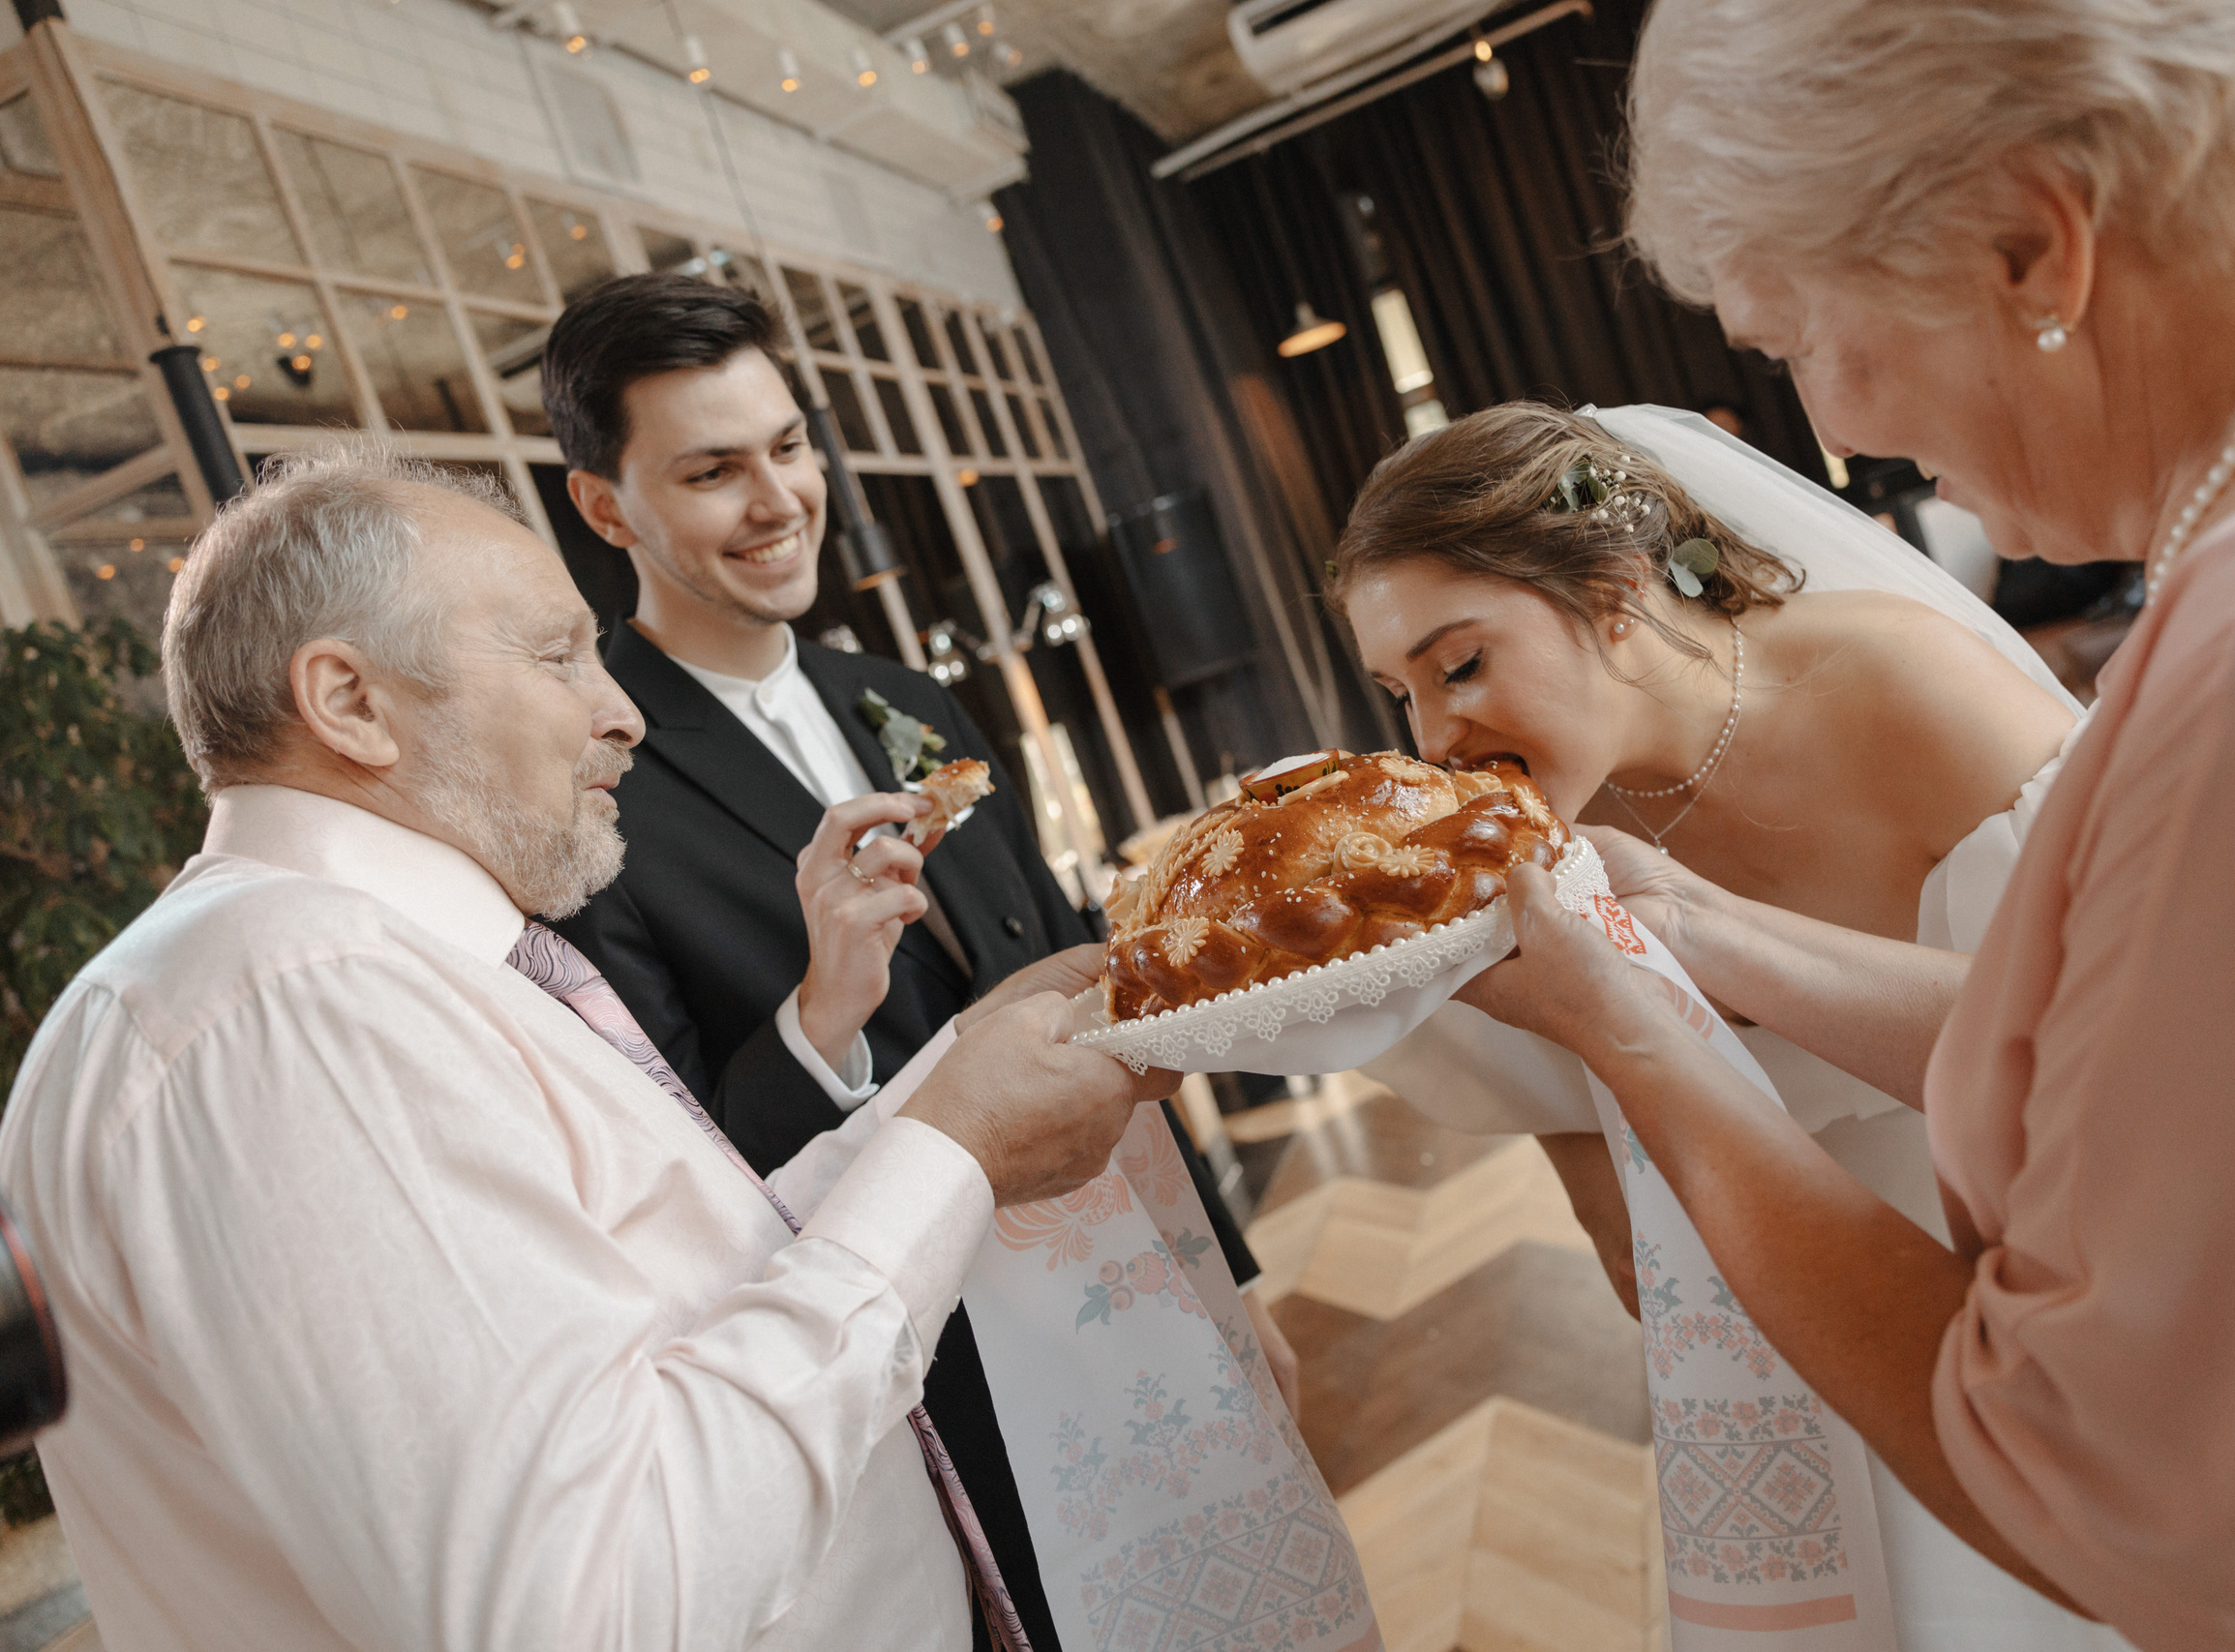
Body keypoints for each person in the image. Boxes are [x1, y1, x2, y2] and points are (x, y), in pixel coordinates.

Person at [1458, 1, 2235, 1648]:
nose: (1838, 431)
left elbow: (2134, 1502)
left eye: (1797, 337)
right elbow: (2182, 1067)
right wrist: (1710, 937)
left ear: (2030, 244)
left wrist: (1644, 1041)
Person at [0, 447, 1165, 1649]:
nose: (624, 711)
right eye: (557, 654)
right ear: (349, 702)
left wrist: (952, 1091)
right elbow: (588, 1603)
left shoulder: (349, 973)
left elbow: (660, 1306)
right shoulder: (293, 1013)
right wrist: (947, 1153)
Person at [534, 274, 1295, 1651]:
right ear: (605, 508)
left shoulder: (905, 698)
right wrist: (824, 1006)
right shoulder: (595, 799)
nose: (778, 500)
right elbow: (679, 1184)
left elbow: (1084, 988)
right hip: (934, 1377)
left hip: (1129, 1281)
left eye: (788, 446)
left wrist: (1221, 1276)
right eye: (713, 470)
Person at [1335, 400, 2122, 1650]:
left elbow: (2138, 1053)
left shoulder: (1907, 686)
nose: (1435, 736)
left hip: (2084, 1304)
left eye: (1461, 662)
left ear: (1615, 586)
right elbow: (1640, 1267)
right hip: (1795, 1364)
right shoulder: (1534, 867)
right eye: (1401, 691)